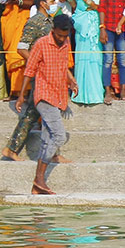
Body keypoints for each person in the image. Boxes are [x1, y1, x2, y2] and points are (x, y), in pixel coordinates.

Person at [21, 13, 77, 195]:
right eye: (59, 35)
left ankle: (37, 187)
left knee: (47, 138)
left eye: (65, 36)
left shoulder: (66, 43)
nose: (62, 39)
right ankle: (38, 177)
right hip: (43, 95)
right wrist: (22, 95)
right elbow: (30, 69)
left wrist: (71, 80)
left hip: (58, 94)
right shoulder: (41, 43)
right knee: (59, 136)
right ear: (53, 30)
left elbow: (64, 66)